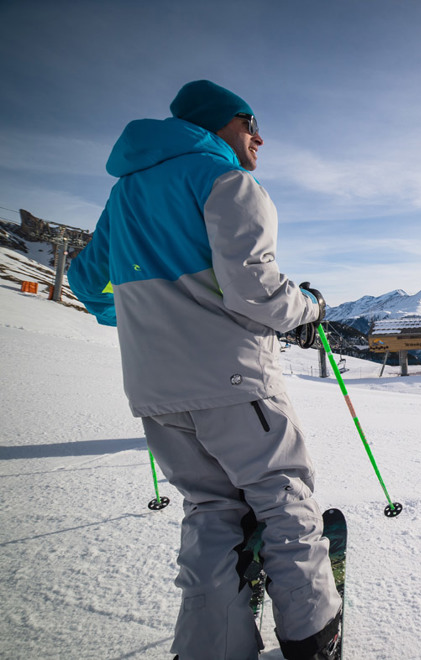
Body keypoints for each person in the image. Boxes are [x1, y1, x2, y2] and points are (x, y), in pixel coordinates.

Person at [68, 80, 342, 660]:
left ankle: (210, 648)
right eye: (249, 124)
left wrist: (149, 319)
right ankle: (314, 637)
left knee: (212, 510)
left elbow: (86, 282)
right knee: (282, 498)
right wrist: (312, 306)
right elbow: (256, 292)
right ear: (218, 125)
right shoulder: (227, 181)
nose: (259, 137)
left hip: (156, 393)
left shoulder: (126, 195)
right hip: (234, 381)